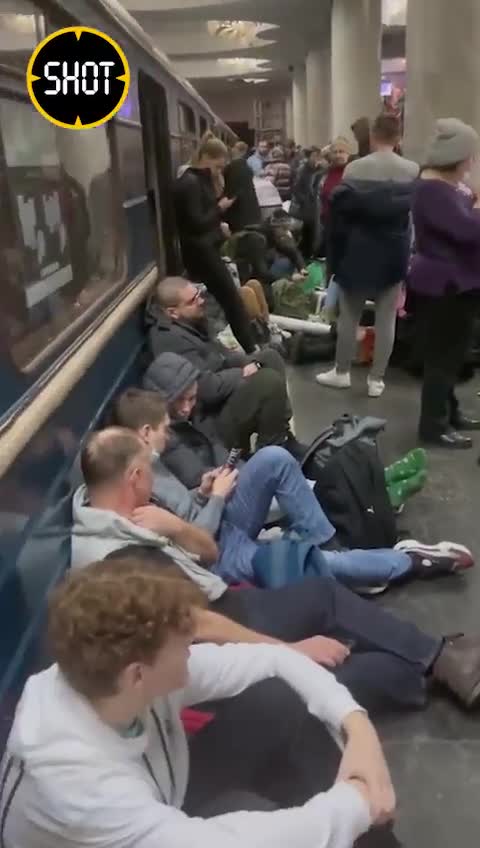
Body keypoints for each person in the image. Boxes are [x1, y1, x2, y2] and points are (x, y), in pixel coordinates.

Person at [1, 554, 398, 848]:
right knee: (260, 812)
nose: (195, 648)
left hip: (163, 798)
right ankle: (364, 811)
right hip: (148, 828)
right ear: (138, 675)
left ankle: (369, 824)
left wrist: (356, 725)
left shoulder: (112, 679)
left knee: (277, 698)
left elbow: (274, 660)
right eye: (185, 644)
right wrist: (352, 807)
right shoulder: (77, 786)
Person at [70, 430, 480, 714]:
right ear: (135, 477)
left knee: (324, 594)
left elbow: (209, 553)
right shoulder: (118, 559)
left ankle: (440, 658)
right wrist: (285, 651)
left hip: (222, 601)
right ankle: (430, 670)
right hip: (215, 630)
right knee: (340, 663)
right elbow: (194, 623)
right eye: (149, 471)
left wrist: (176, 525)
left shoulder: (116, 512)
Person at [111, 387, 473, 590]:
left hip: (218, 522)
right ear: (144, 434)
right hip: (215, 555)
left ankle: (329, 541)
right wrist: (218, 497)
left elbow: (183, 512)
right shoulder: (138, 485)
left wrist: (203, 492)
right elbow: (194, 543)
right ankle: (405, 560)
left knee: (272, 458)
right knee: (312, 563)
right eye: (161, 428)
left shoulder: (148, 464)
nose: (167, 434)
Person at [316, 114, 419, 399]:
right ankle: (377, 380)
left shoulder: (354, 169)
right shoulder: (412, 170)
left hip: (359, 249)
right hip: (395, 250)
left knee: (350, 314)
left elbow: (342, 216)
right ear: (399, 138)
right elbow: (412, 219)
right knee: (387, 317)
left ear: (373, 136)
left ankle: (341, 372)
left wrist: (333, 257)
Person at [147, 276, 299, 455]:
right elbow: (206, 389)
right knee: (268, 382)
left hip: (219, 397)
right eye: (192, 301)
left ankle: (281, 434)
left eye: (198, 295)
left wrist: (249, 361)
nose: (201, 301)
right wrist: (242, 372)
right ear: (173, 312)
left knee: (269, 356)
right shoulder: (170, 340)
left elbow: (221, 357)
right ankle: (271, 451)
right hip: (207, 422)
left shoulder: (187, 325)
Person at [409, 118, 480, 448]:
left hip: (452, 284)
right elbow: (467, 231)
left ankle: (449, 414)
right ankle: (434, 426)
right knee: (443, 358)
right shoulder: (433, 190)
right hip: (444, 286)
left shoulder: (443, 188)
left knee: (453, 355)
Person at [173, 133, 255, 353]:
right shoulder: (190, 183)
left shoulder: (196, 180)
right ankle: (251, 348)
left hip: (203, 249)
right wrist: (221, 208)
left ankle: (246, 345)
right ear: (206, 157)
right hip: (200, 251)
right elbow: (196, 222)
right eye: (218, 167)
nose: (219, 172)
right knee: (231, 300)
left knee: (228, 300)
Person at [291, 147, 324, 257]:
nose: (316, 159)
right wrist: (304, 200)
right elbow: (296, 188)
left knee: (314, 231)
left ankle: (311, 253)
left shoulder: (321, 169)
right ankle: (305, 254)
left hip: (316, 206)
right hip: (305, 207)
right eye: (314, 156)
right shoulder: (302, 170)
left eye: (318, 156)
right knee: (306, 231)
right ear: (309, 157)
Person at [223, 141, 262, 233]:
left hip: (239, 216)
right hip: (252, 213)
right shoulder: (247, 167)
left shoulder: (232, 167)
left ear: (236, 150)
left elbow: (230, 192)